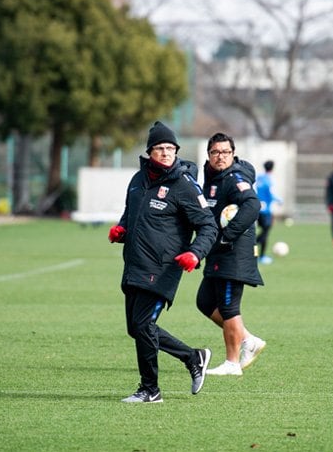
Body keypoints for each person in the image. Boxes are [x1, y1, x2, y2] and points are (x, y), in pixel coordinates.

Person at [109, 121, 217, 403]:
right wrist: (122, 229)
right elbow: (131, 213)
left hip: (163, 267)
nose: (167, 152)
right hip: (134, 264)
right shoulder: (137, 180)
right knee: (136, 328)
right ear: (150, 152)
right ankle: (193, 357)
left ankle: (150, 389)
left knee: (143, 325)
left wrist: (195, 253)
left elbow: (209, 226)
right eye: (160, 148)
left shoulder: (184, 185)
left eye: (171, 148)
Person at [198, 133, 266, 376]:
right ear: (209, 154)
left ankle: (232, 363)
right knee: (205, 302)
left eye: (226, 152)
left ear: (233, 154)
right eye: (216, 152)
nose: (221, 156)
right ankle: (248, 340)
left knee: (228, 307)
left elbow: (253, 205)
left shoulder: (234, 178)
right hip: (217, 252)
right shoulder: (212, 177)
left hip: (233, 253)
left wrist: (229, 235)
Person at [255, 160, 282, 265]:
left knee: (263, 232)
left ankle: (257, 253)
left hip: (258, 209)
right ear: (272, 168)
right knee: (265, 233)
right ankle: (260, 255)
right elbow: (271, 193)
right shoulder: (269, 179)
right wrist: (279, 200)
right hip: (266, 211)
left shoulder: (259, 178)